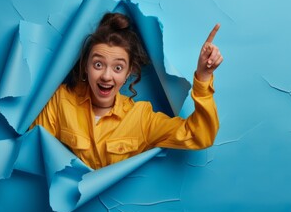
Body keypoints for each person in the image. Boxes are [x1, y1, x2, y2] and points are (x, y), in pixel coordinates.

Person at [30, 13, 223, 169]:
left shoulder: (141, 118)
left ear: (129, 72)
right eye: (98, 64)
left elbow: (200, 136)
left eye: (118, 68)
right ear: (86, 65)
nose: (106, 76)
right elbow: (32, 148)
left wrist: (203, 77)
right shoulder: (61, 100)